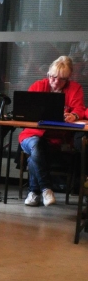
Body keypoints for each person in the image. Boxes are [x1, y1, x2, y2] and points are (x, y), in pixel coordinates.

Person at [18, 56, 86, 207]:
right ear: (48, 73)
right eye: (53, 77)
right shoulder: (38, 86)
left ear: (68, 78)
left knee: (34, 154)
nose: (56, 82)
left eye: (62, 79)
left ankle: (34, 193)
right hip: (31, 134)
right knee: (36, 144)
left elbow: (79, 108)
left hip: (56, 139)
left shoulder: (75, 88)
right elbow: (26, 110)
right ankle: (46, 189)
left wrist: (74, 115)